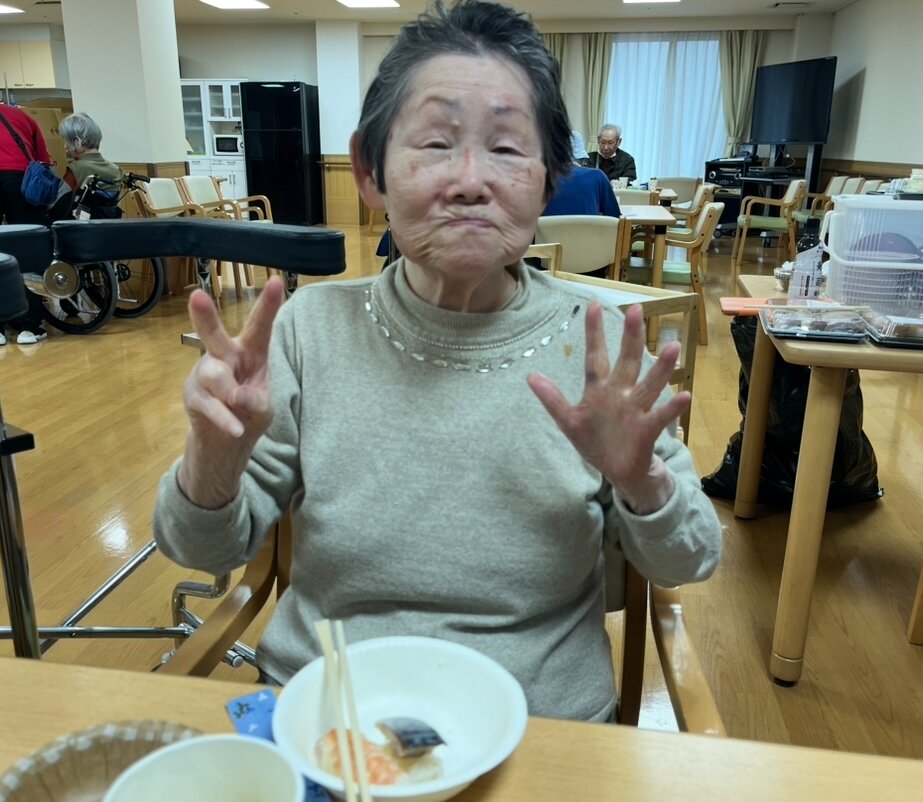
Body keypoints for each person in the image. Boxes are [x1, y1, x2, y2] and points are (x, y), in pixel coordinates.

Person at [153, 0, 721, 723]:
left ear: (550, 177)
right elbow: (198, 548)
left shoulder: (597, 346)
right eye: (434, 143)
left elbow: (687, 559)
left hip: (543, 727)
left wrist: (642, 484)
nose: (469, 180)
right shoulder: (308, 331)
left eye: (507, 148)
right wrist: (212, 458)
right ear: (370, 173)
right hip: (329, 717)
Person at [0, 100, 52, 345]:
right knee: (28, 250)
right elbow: (43, 160)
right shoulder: (22, 117)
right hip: (21, 181)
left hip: (14, 178)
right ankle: (29, 326)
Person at [58, 112, 124, 217]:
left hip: (80, 224)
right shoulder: (117, 170)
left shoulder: (76, 169)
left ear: (77, 141)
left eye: (67, 142)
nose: (66, 147)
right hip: (110, 222)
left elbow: (60, 205)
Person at [542, 131, 620, 218]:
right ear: (583, 159)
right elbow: (614, 217)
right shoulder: (598, 176)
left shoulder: (540, 177)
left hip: (547, 227)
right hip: (589, 227)